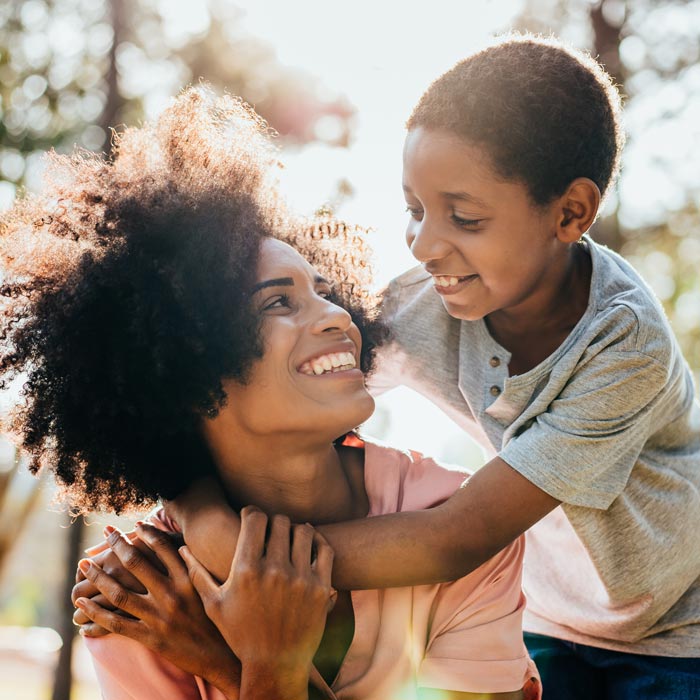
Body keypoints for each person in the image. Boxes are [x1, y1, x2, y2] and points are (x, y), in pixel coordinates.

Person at [140, 35, 700, 700]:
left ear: (570, 213)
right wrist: (194, 508)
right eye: (415, 209)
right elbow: (268, 396)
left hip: (674, 636)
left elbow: (456, 536)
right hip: (552, 620)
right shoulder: (419, 306)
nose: (426, 243)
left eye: (463, 216)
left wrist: (248, 558)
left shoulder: (622, 343)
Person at [0, 87, 539, 699]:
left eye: (324, 291)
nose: (340, 318)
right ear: (186, 365)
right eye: (278, 301)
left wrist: (241, 665)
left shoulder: (451, 515)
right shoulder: (140, 593)